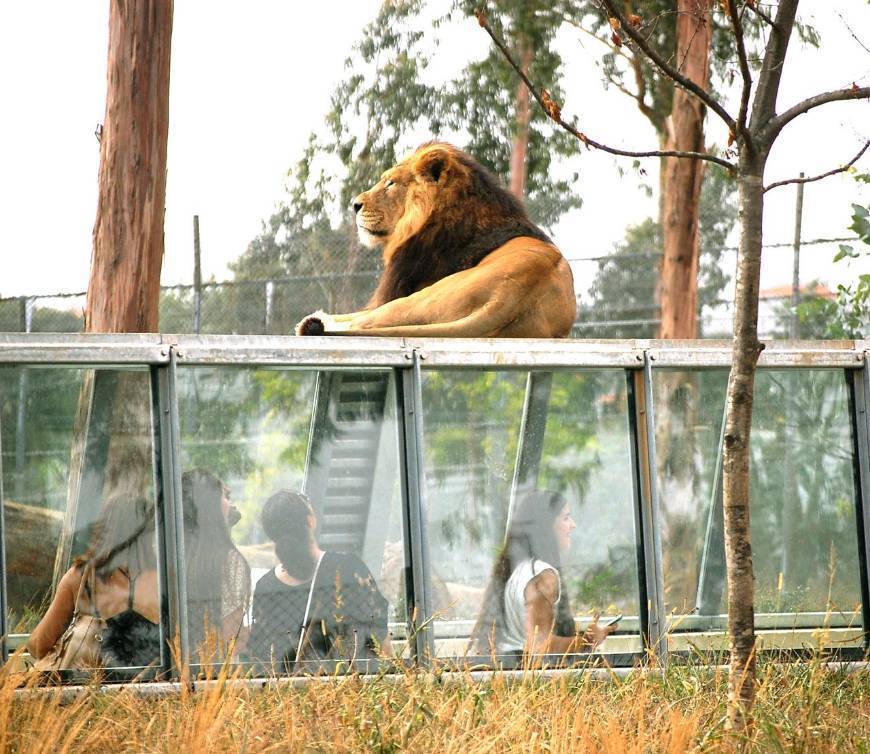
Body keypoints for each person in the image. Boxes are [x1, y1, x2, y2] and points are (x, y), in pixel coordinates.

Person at [247, 490, 392, 670]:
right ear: (310, 521)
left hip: (288, 694)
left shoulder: (266, 587)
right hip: (344, 691)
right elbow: (379, 635)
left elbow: (260, 658)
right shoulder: (348, 568)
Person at [472, 489, 616, 658]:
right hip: (528, 676)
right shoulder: (543, 575)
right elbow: (540, 645)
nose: (573, 524)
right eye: (566, 517)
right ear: (546, 525)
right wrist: (587, 641)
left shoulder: (517, 569)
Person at [28, 493, 162, 669]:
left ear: (105, 530)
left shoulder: (81, 578)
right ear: (147, 531)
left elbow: (38, 645)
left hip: (90, 691)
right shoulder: (165, 580)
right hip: (155, 690)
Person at [181, 469, 251, 655]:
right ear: (210, 505)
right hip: (214, 671)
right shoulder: (228, 561)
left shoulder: (173, 555)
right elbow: (232, 636)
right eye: (225, 496)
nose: (230, 504)